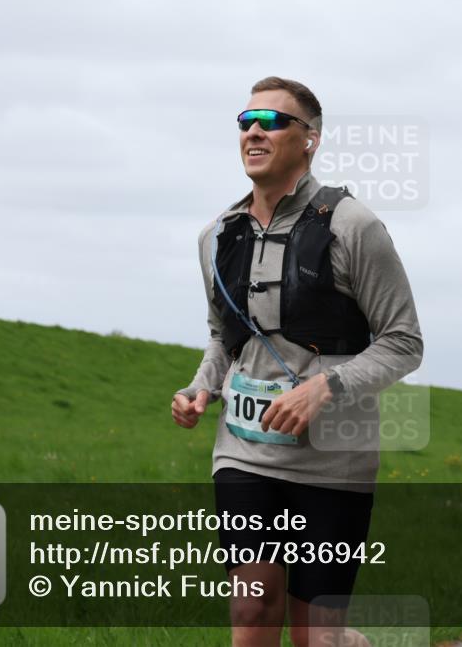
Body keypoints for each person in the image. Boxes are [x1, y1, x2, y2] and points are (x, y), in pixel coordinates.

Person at [172, 76, 423, 647]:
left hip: (336, 461)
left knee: (317, 636)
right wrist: (200, 387)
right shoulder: (217, 236)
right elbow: (224, 337)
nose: (253, 130)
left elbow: (404, 341)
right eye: (245, 120)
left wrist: (325, 388)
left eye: (271, 121)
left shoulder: (352, 226)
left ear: (309, 139)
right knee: (253, 612)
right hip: (245, 451)